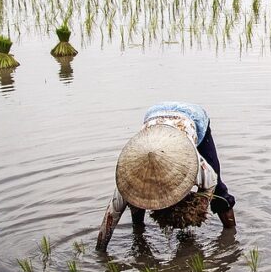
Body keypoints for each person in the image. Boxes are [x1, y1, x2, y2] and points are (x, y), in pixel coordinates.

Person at [96, 102, 236, 251]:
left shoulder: (197, 166)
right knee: (135, 200)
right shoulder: (128, 180)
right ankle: (138, 232)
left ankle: (231, 238)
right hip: (154, 116)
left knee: (220, 193)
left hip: (193, 117)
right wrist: (101, 250)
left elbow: (210, 186)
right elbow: (111, 217)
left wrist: (194, 210)